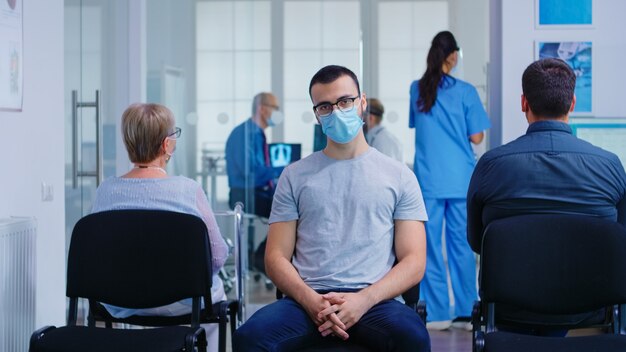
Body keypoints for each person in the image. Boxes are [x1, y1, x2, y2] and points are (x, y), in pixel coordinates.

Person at [233, 65, 430, 351]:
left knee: (413, 338)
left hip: (375, 302)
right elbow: (275, 256)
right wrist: (312, 301)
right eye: (325, 106)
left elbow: (414, 261)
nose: (336, 111)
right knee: (249, 338)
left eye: (345, 101)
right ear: (316, 115)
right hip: (306, 302)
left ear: (362, 103)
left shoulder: (399, 176)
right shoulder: (295, 176)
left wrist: (364, 300)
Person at [467, 58, 626, 333]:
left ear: (523, 103)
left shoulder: (491, 165)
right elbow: (619, 240)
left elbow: (478, 241)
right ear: (573, 103)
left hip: (510, 311)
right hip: (590, 313)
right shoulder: (610, 166)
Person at [91, 103, 229, 350]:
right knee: (213, 295)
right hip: (184, 304)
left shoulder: (105, 192)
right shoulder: (188, 190)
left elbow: (98, 257)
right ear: (167, 145)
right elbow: (217, 258)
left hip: (120, 303)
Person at [409, 30, 491, 331]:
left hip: (428, 180)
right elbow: (476, 136)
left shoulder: (416, 89)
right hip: (459, 180)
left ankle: (437, 313)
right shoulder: (466, 92)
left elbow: (418, 126)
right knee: (461, 245)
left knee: (428, 247)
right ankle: (466, 311)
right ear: (453, 56)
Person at [225, 92, 284, 273]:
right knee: (289, 211)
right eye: (275, 108)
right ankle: (260, 258)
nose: (278, 112)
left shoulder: (256, 133)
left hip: (256, 192)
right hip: (243, 195)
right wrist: (284, 169)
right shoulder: (245, 134)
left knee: (291, 207)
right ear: (262, 109)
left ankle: (260, 256)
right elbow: (250, 173)